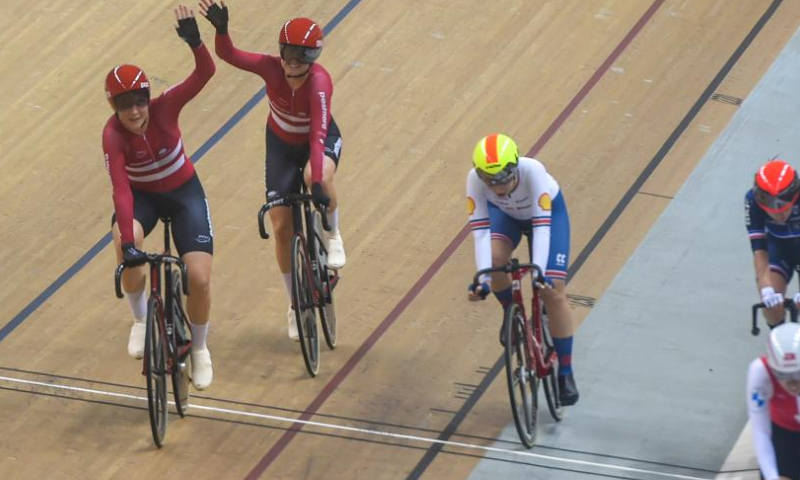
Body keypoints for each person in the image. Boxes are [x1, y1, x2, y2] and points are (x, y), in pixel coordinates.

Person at [199, 0, 345, 340]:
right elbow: (229, 54)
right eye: (288, 54)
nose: (292, 62)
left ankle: (334, 235)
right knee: (280, 227)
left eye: (300, 57)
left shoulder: (320, 83)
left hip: (318, 140)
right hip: (280, 146)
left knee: (316, 176)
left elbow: (318, 134)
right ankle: (295, 303)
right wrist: (222, 31)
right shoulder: (270, 68)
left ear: (312, 59)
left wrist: (317, 181)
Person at [103, 5, 216, 390]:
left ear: (148, 98)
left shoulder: (166, 106)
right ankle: (139, 320)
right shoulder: (112, 136)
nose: (135, 111)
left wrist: (196, 43)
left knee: (198, 278)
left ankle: (199, 348)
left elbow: (205, 73)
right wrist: (129, 244)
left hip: (184, 194)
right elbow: (120, 189)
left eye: (139, 101)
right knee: (123, 239)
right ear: (114, 107)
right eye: (125, 105)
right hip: (143, 198)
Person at [466, 133, 579, 406]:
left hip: (549, 218)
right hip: (507, 218)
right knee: (496, 259)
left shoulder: (533, 171)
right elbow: (481, 233)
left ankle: (565, 372)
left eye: (502, 179)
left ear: (515, 168)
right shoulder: (474, 180)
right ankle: (511, 314)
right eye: (489, 181)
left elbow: (541, 228)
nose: (497, 187)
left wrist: (539, 272)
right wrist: (483, 279)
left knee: (553, 291)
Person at [746, 159, 800, 328]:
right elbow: (759, 251)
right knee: (771, 308)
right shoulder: (752, 201)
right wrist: (766, 290)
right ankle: (779, 336)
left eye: (784, 207)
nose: (780, 214)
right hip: (779, 248)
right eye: (772, 209)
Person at [747, 322, 800, 480]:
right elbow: (760, 430)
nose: (792, 384)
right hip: (782, 435)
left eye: (798, 373)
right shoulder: (759, 371)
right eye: (782, 374)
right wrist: (772, 477)